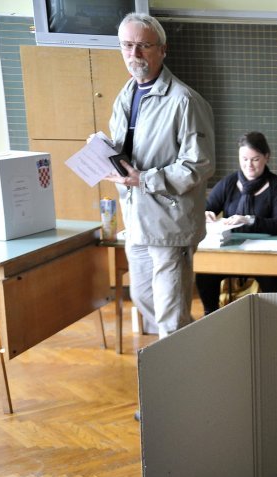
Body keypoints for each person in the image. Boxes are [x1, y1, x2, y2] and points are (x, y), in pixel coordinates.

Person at [105, 13, 215, 340]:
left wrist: (145, 179)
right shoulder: (125, 95)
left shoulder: (185, 101)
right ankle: (187, 346)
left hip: (170, 222)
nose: (134, 54)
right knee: (143, 298)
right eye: (127, 46)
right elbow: (125, 149)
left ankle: (179, 376)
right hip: (136, 220)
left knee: (170, 314)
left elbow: (200, 164)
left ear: (161, 50)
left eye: (143, 46)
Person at [194, 132, 277, 315]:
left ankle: (275, 322)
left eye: (255, 159)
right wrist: (205, 213)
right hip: (232, 251)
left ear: (266, 157)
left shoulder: (276, 186)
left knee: (274, 283)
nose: (249, 165)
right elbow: (207, 208)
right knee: (205, 275)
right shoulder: (229, 183)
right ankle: (212, 318)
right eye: (244, 159)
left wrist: (248, 220)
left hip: (265, 255)